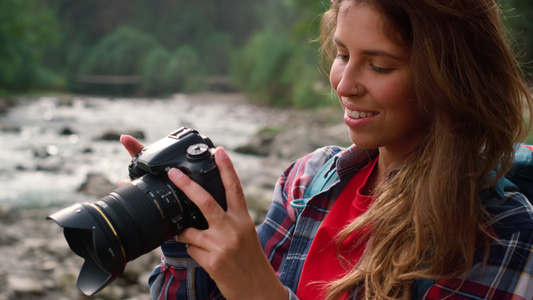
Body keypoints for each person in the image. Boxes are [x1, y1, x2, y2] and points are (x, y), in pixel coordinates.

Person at [120, 0, 533, 299]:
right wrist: (183, 229)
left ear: (451, 78)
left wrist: (260, 294)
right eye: (342, 54)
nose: (343, 84)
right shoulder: (307, 181)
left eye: (379, 66)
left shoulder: (500, 227)